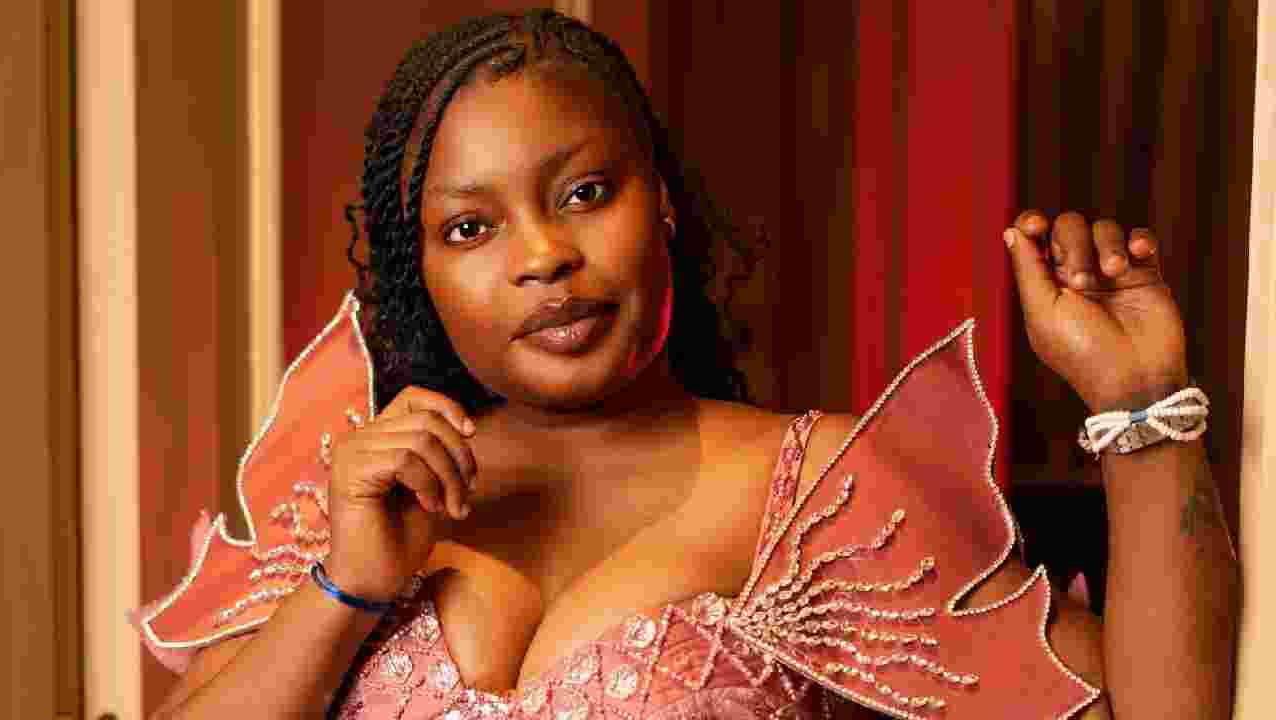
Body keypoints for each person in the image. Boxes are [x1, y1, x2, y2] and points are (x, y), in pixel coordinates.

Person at [135, 10, 1238, 720]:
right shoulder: (364, 493)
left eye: (584, 192)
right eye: (470, 228)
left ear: (660, 202)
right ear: (421, 271)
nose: (543, 254)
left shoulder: (818, 492)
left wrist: (1141, 406)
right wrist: (346, 589)